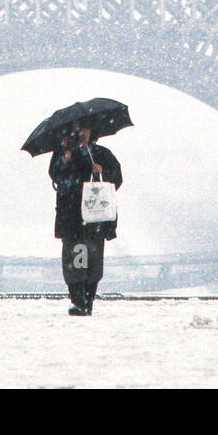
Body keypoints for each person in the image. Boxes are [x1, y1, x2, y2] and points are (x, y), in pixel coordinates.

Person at [48, 122, 122, 315]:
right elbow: (56, 177)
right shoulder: (63, 153)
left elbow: (116, 179)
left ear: (92, 132)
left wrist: (102, 173)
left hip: (95, 217)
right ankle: (79, 302)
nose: (81, 134)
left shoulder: (102, 154)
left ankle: (87, 302)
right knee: (76, 258)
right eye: (77, 131)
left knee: (93, 261)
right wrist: (65, 160)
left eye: (85, 129)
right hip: (72, 217)